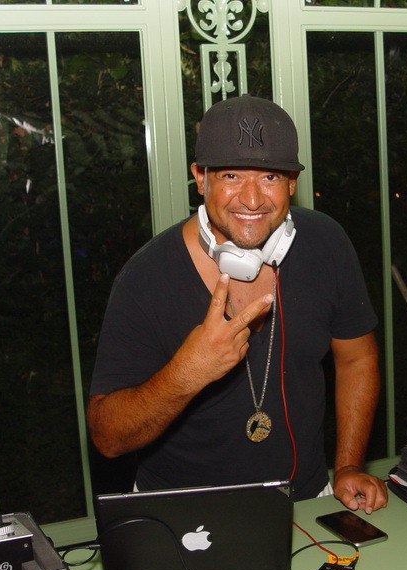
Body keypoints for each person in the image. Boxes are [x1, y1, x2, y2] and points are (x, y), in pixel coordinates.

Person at [88, 95, 387, 513]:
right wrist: (187, 372)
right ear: (200, 177)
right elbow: (108, 438)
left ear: (292, 182)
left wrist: (349, 464)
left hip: (306, 500)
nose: (251, 199)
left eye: (270, 177)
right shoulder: (145, 277)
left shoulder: (327, 244)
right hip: (184, 515)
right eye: (231, 175)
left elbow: (357, 359)